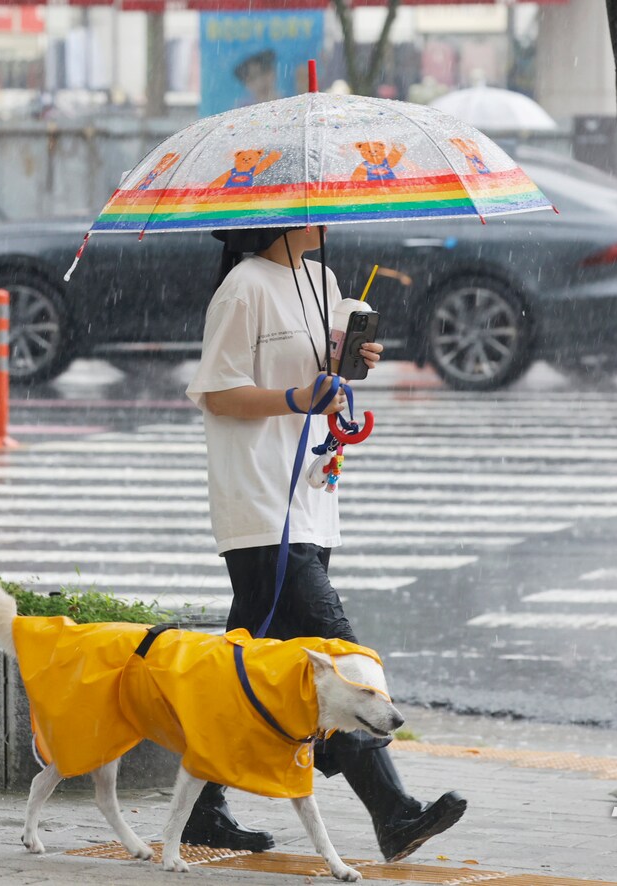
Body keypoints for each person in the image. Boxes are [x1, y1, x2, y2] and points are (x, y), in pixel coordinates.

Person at [183, 225, 468, 862]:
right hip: (259, 505)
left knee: (248, 669)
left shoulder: (324, 281)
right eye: (316, 202)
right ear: (283, 214)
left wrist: (349, 365)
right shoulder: (243, 288)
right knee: (333, 657)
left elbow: (318, 380)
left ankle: (200, 809)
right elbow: (218, 394)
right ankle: (394, 813)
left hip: (310, 501)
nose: (329, 214)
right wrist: (294, 395)